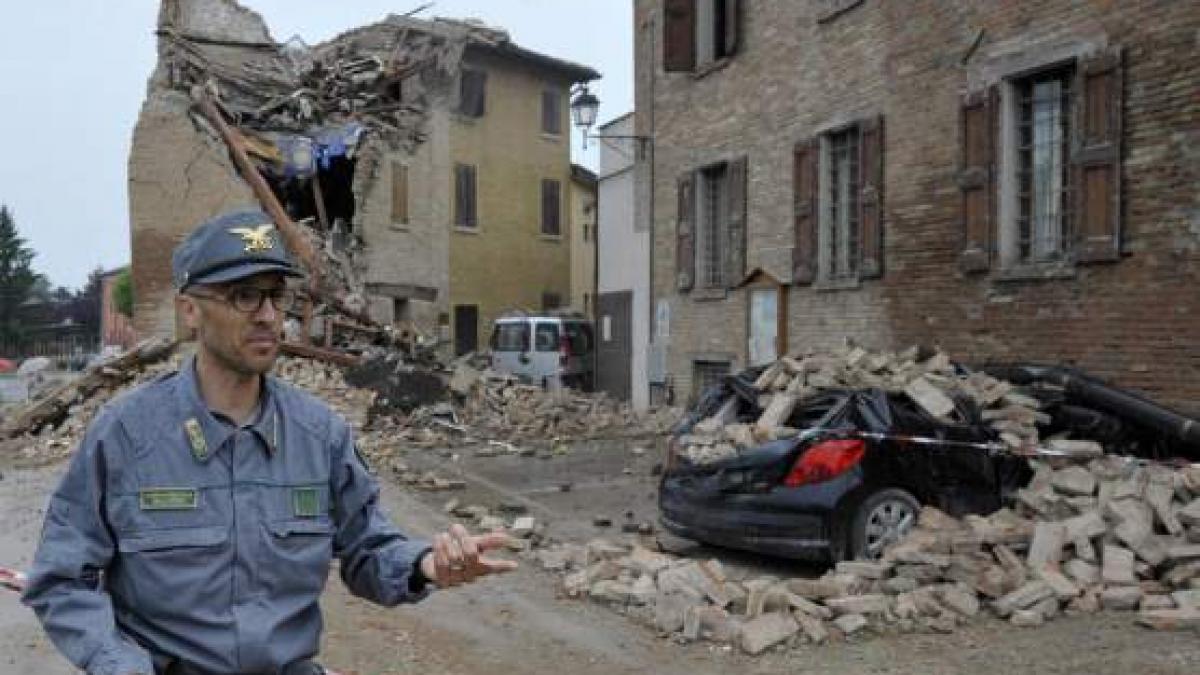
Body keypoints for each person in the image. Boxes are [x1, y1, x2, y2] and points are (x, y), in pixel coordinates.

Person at [22, 209, 517, 675]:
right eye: (243, 296)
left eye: (276, 296)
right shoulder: (126, 435)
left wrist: (424, 565)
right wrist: (120, 667)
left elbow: (369, 550)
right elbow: (62, 581)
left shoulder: (320, 435)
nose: (267, 315)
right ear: (190, 311)